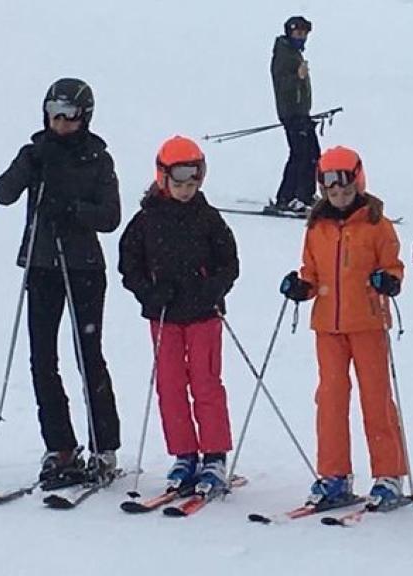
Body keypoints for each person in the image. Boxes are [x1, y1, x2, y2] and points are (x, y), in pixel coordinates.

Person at [0, 78, 122, 487]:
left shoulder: (97, 158)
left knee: (88, 355)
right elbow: (2, 194)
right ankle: (60, 446)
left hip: (83, 266)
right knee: (42, 359)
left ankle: (104, 447)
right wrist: (27, 166)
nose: (63, 123)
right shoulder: (35, 153)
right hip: (43, 265)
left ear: (85, 117)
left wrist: (74, 209)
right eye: (56, 115)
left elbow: (110, 216)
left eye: (71, 116)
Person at [279, 146, 408, 509]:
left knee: (375, 397)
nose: (338, 198)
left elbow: (394, 266)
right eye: (331, 192)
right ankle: (334, 474)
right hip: (328, 327)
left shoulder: (375, 224)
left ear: (359, 182)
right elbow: (311, 271)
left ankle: (388, 473)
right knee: (331, 399)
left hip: (367, 323)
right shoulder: (317, 227)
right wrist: (301, 286)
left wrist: (389, 280)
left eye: (345, 190)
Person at [118, 136, 239, 498]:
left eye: (193, 183)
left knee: (205, 384)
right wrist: (148, 291)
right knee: (169, 386)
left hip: (203, 314)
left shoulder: (209, 219)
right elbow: (129, 265)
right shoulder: (145, 221)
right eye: (179, 183)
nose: (186, 190)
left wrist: (212, 289)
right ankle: (184, 453)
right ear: (162, 179)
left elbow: (229, 264)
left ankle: (214, 454)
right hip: (165, 316)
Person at [271, 15, 321, 215]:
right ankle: (289, 198)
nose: (301, 37)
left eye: (304, 33)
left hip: (300, 113)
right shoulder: (284, 54)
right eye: (298, 33)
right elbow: (281, 84)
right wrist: (297, 76)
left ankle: (305, 195)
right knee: (300, 155)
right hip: (291, 114)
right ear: (289, 32)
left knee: (312, 154)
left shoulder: (294, 53)